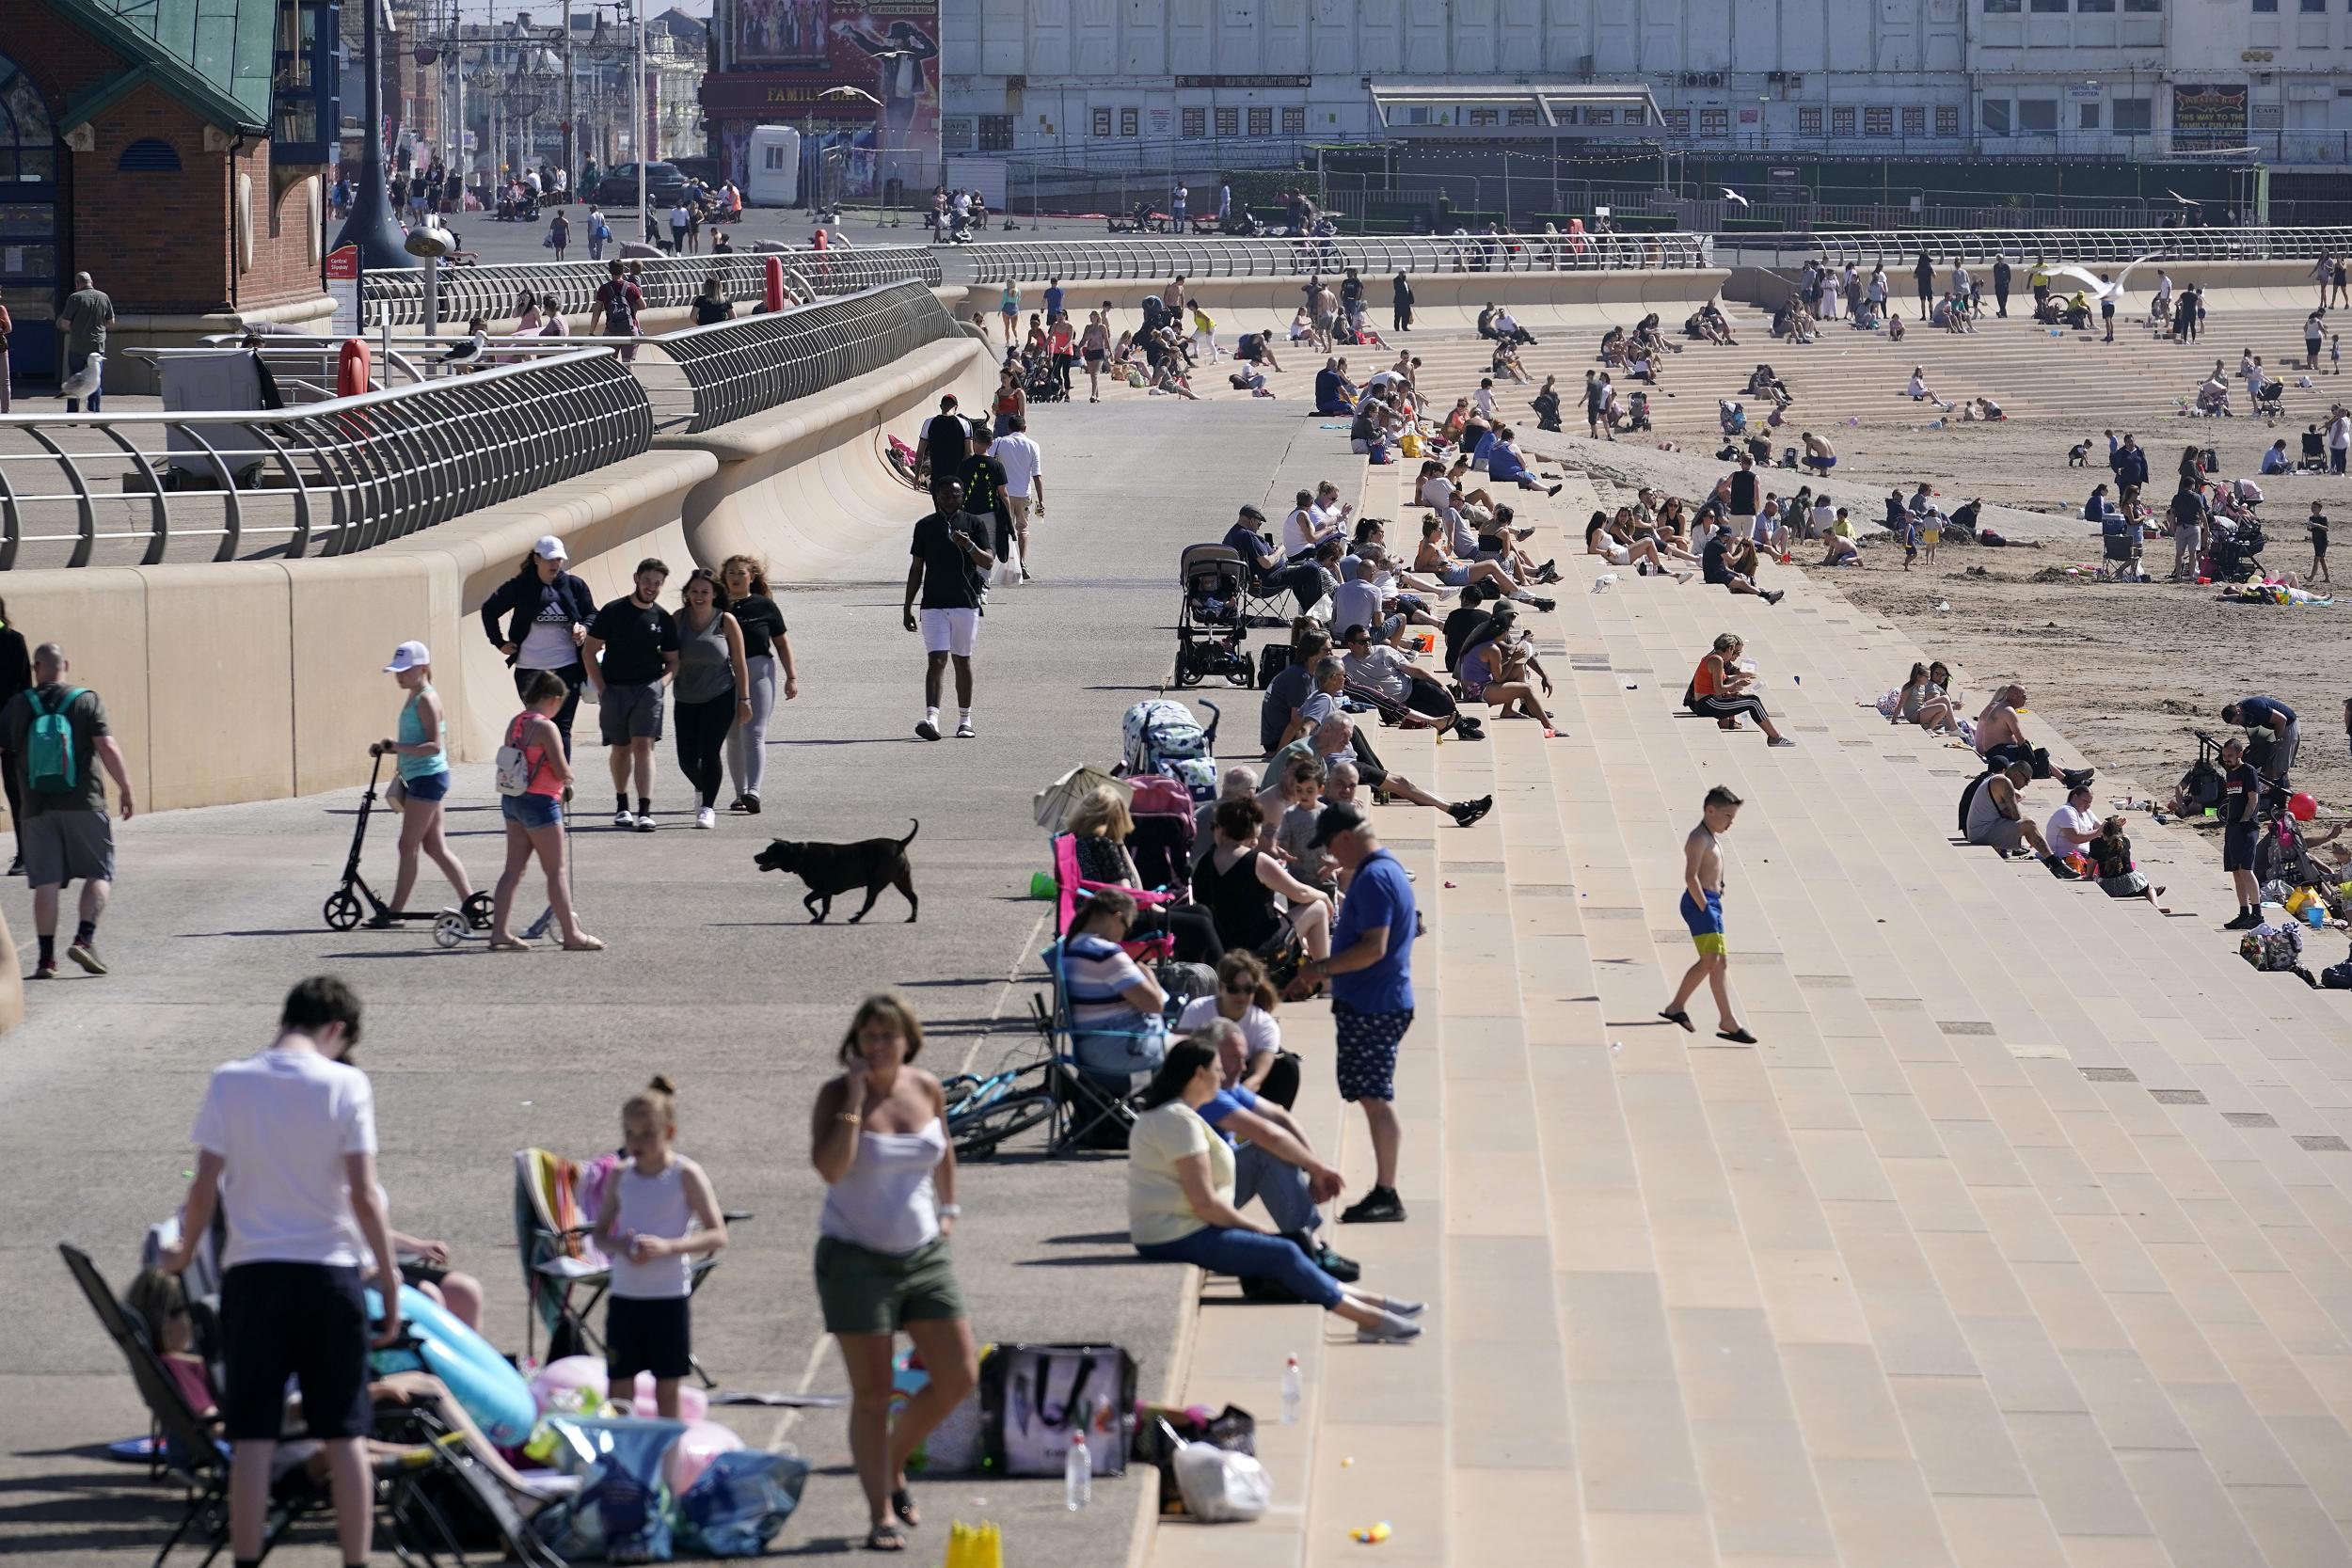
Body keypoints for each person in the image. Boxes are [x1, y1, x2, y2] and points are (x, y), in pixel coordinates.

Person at [161, 976, 399, 1568]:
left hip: (253, 1275)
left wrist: (185, 1252)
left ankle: (246, 1560)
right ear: (337, 1031)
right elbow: (365, 1196)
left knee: (252, 1437)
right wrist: (389, 1281)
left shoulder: (230, 1080)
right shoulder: (347, 1084)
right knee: (343, 1434)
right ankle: (356, 1560)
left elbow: (203, 1187)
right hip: (329, 1275)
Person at [809, 995, 977, 1553]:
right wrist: (856, 1100)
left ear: (908, 1038)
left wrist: (948, 1212)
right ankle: (880, 1513)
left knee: (959, 1377)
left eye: (887, 1036)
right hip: (856, 1261)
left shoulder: (926, 1086)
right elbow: (832, 1168)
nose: (877, 1046)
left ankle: (894, 1459)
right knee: (874, 1393)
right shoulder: (837, 1095)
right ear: (855, 1044)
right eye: (868, 1037)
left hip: (924, 1254)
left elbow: (943, 1149)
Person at [1126, 1039, 1422, 1339]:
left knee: (1287, 1250)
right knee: (1282, 1252)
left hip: (1181, 1229)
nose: (1225, 1077)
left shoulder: (1178, 1116)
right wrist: (1253, 1226)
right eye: (1218, 1070)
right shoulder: (1177, 1121)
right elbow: (1204, 1203)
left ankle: (1373, 1304)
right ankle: (1368, 1319)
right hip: (1174, 1235)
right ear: (1199, 1074)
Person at [1294, 804, 1416, 1224]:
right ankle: (1385, 1189)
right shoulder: (1382, 870)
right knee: (1371, 1094)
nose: (1330, 853)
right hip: (1375, 1000)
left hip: (1375, 1004)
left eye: (1330, 845)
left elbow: (1373, 947)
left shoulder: (1376, 879)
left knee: (1376, 1096)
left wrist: (1318, 969)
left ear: (1344, 837)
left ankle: (1387, 1192)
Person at [593, 1076, 728, 1421]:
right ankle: (621, 1460)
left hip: (668, 1297)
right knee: (619, 1387)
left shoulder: (685, 1174)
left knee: (667, 1390)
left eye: (646, 1133)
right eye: (629, 1133)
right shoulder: (621, 1175)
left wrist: (669, 1247)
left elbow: (717, 1234)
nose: (637, 1142)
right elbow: (600, 1235)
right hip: (626, 1296)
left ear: (669, 1132)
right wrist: (622, 1245)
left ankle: (668, 1463)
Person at [4, 643, 132, 978]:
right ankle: (84, 940)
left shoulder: (17, 705)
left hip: (35, 806)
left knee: (45, 882)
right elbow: (106, 745)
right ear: (66, 665)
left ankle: (46, 959)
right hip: (83, 802)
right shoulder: (86, 699)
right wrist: (126, 787)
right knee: (99, 873)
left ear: (36, 668)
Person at [485, 671, 600, 951]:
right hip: (541, 802)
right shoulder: (546, 728)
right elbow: (561, 769)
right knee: (555, 872)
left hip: (513, 800)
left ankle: (499, 932)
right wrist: (569, 780)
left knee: (512, 870)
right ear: (553, 698)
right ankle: (571, 935)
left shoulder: (516, 722)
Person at [370, 641, 472, 924]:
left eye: (404, 670)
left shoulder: (426, 699)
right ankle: (471, 902)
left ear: (423, 668)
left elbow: (432, 746)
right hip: (423, 777)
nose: (398, 676)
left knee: (407, 845)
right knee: (435, 847)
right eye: (396, 671)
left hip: (427, 778)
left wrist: (397, 747)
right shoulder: (416, 695)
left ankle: (395, 912)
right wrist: (389, 748)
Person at [1065, 785, 1222, 965]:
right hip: (1119, 920)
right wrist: (1155, 907)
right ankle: (1225, 976)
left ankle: (1193, 974)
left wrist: (1121, 846)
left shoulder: (1080, 841)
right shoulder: (1105, 846)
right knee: (1199, 924)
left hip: (1095, 916)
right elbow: (1128, 893)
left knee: (1200, 912)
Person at [581, 559, 679, 832]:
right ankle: (622, 805)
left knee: (643, 746)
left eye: (657, 583)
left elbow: (673, 660)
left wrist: (662, 684)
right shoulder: (613, 612)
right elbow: (589, 650)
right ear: (636, 578)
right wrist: (601, 687)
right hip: (615, 689)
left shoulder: (662, 618)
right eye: (647, 581)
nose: (651, 587)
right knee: (621, 748)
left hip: (648, 689)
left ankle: (645, 811)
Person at [481, 535, 596, 757]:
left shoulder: (574, 586)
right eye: (550, 559)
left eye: (559, 560)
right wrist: (500, 643)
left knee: (562, 729)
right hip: (530, 670)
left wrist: (584, 628)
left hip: (567, 668)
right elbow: (489, 610)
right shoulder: (520, 586)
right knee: (539, 725)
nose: (555, 564)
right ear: (536, 559)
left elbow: (593, 613)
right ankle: (540, 781)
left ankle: (560, 786)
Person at [1660, 785, 1756, 1043]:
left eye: (1733, 818)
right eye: (1727, 816)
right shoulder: (1698, 839)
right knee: (1710, 961)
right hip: (1700, 904)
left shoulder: (1710, 836)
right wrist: (1705, 907)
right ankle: (1678, 1007)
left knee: (1718, 962)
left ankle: (1725, 1018)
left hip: (1710, 903)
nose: (1730, 823)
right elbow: (1690, 877)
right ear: (1710, 810)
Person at [1192, 797, 1334, 971]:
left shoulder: (1203, 862)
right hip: (1260, 953)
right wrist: (1324, 896)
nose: (1256, 842)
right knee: (1318, 908)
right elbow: (1300, 893)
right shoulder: (1255, 861)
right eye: (1254, 836)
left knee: (1295, 928)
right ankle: (1325, 981)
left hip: (1220, 953)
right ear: (1247, 831)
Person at [904, 478, 993, 741]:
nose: (950, 501)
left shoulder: (974, 523)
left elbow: (987, 562)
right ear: (936, 497)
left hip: (965, 603)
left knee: (962, 660)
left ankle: (965, 720)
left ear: (962, 496)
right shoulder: (925, 526)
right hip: (933, 604)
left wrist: (968, 545)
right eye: (945, 496)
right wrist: (907, 605)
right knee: (936, 660)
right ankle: (931, 718)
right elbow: (916, 568)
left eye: (955, 496)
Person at [670, 568, 752, 832]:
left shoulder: (725, 620)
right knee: (686, 758)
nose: (699, 596)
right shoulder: (678, 619)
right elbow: (666, 654)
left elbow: (739, 663)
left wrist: (745, 699)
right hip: (685, 696)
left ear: (715, 593)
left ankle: (707, 807)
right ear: (687, 594)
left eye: (704, 592)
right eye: (694, 591)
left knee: (710, 751)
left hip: (720, 694)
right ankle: (703, 785)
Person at [718, 555, 793, 816]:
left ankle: (754, 791)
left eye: (741, 573)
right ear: (723, 577)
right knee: (734, 735)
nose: (736, 577)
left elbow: (781, 643)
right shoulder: (717, 606)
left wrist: (791, 677)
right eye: (731, 573)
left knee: (755, 731)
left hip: (759, 668)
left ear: (752, 577)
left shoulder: (764, 606)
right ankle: (740, 793)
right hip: (724, 673)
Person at [1174, 951, 1285, 1095]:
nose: (1241, 996)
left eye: (1248, 989)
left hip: (1243, 1090)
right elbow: (1179, 1059)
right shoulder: (1197, 1010)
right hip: (1201, 1084)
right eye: (1233, 989)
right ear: (1220, 988)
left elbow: (1257, 1078)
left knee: (1286, 1068)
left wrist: (1232, 1104)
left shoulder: (1265, 1024)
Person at [1686, 633, 1795, 745]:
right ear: (1729, 648)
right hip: (1708, 704)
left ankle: (1774, 736)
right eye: (1734, 652)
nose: (1735, 655)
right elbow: (1719, 689)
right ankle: (1775, 737)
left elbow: (1716, 686)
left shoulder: (1713, 657)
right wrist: (1738, 683)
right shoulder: (1717, 660)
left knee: (1751, 699)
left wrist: (1733, 694)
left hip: (1707, 702)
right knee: (1753, 702)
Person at [1976, 685, 2091, 788]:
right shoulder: (2008, 711)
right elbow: (2021, 740)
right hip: (1999, 752)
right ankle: (2068, 780)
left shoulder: (2002, 707)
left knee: (2040, 756)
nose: (2026, 699)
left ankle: (2069, 774)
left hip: (1998, 749)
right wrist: (2031, 756)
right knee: (2040, 756)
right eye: (2024, 696)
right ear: (2014, 696)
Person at [2216, 736, 2267, 928]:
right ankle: (2243, 912)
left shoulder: (2248, 771)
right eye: (2224, 755)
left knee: (2246, 869)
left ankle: (2257, 914)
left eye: (2230, 755)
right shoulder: (2230, 773)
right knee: (2236, 871)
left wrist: (2245, 820)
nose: (2226, 759)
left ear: (2240, 754)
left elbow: (2253, 799)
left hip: (2246, 827)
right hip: (2232, 827)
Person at [989, 416, 1044, 580]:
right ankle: (1022, 562)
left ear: (1009, 428)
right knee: (1023, 529)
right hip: (1024, 494)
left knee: (1002, 529)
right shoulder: (1033, 445)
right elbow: (1037, 475)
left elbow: (987, 458)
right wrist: (1041, 501)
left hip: (1003, 493)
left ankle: (1002, 562)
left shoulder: (1000, 442)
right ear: (1025, 429)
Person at [60, 271, 113, 413]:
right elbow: (111, 321)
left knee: (74, 381)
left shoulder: (74, 298)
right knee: (94, 381)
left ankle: (72, 415)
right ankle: (94, 413)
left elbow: (65, 323)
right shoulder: (103, 297)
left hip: (77, 346)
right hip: (97, 346)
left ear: (77, 284)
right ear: (91, 282)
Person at [2221, 696, 2299, 788]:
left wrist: (2276, 741)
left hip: (2287, 725)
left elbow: (2282, 720)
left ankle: (2282, 791)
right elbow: (2254, 733)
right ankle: (2268, 791)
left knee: (2280, 765)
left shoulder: (2255, 707)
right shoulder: (2242, 716)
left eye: (2238, 721)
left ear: (2238, 711)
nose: (2239, 723)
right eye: (2236, 724)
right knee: (2266, 762)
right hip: (2270, 727)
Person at [2045, 782, 2101, 867]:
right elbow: (2075, 838)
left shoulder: (2088, 813)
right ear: (2075, 797)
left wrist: (2114, 826)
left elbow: (2102, 828)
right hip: (2065, 857)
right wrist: (2098, 832)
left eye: (2090, 802)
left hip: (2084, 855)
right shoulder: (2066, 811)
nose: (2088, 805)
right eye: (2085, 801)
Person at [2309, 501, 2331, 585]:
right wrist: (2310, 526)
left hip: (2322, 541)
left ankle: (2311, 577)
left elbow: (2326, 528)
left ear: (2319, 509)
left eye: (2315, 507)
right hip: (2316, 541)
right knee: (2321, 560)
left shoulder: (2323, 518)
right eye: (2312, 507)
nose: (2313, 509)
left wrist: (2317, 525)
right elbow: (2311, 529)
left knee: (2316, 559)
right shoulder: (2311, 518)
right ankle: (2327, 578)